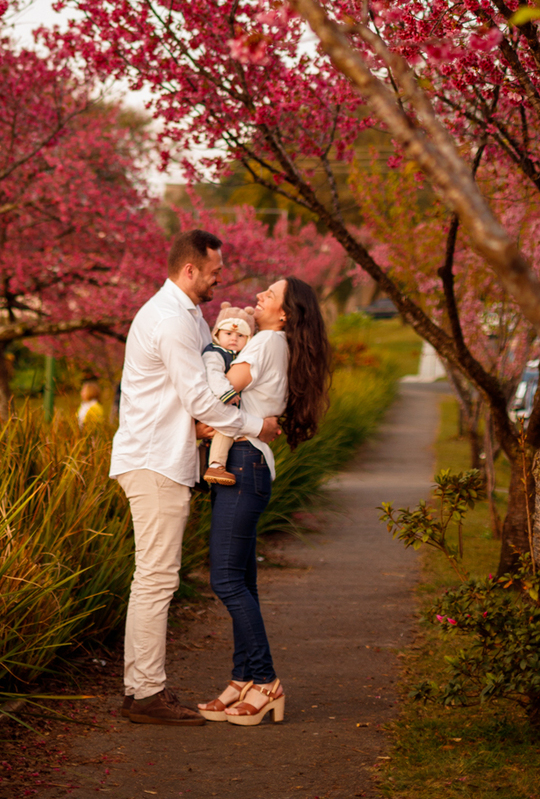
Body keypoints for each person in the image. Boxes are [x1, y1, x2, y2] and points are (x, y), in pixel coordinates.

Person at [109, 229, 281, 728]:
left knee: (155, 577)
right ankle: (145, 695)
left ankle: (142, 689)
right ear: (190, 270)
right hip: (154, 460)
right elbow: (201, 398)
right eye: (213, 270)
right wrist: (257, 425)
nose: (219, 277)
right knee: (156, 579)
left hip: (161, 458)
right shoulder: (169, 320)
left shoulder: (187, 317)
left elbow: (211, 380)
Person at [198, 276, 330, 727]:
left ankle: (267, 681)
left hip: (242, 461)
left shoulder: (268, 342)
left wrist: (208, 395)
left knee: (226, 580)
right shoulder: (275, 341)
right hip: (245, 461)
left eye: (269, 295)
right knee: (242, 580)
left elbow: (220, 394)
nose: (258, 297)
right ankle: (242, 679)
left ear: (285, 313)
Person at [201, 307, 254, 486]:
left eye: (241, 336)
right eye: (229, 333)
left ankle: (202, 472)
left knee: (220, 433)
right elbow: (213, 374)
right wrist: (226, 393)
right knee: (227, 426)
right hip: (217, 400)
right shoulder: (214, 353)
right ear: (217, 334)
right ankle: (216, 465)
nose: (234, 338)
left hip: (223, 403)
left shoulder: (239, 356)